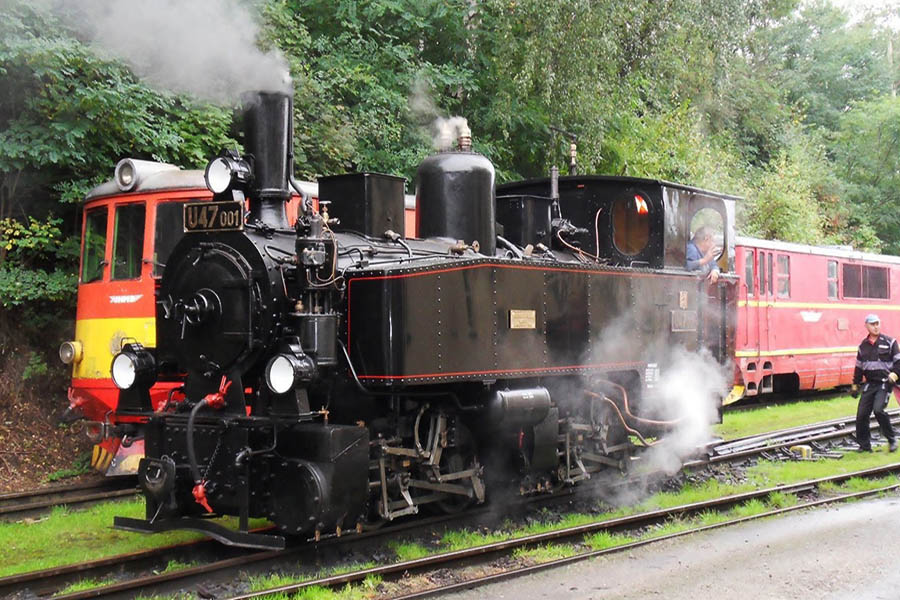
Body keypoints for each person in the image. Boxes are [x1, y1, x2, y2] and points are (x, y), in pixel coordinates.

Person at [851, 314, 899, 452]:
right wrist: (855, 385)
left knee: (878, 410)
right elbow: (859, 368)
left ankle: (892, 439)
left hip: (885, 383)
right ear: (866, 326)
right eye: (872, 324)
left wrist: (895, 374)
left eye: (877, 323)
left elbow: (899, 363)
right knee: (861, 415)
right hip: (869, 384)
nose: (876, 326)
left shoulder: (890, 342)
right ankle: (865, 446)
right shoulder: (863, 346)